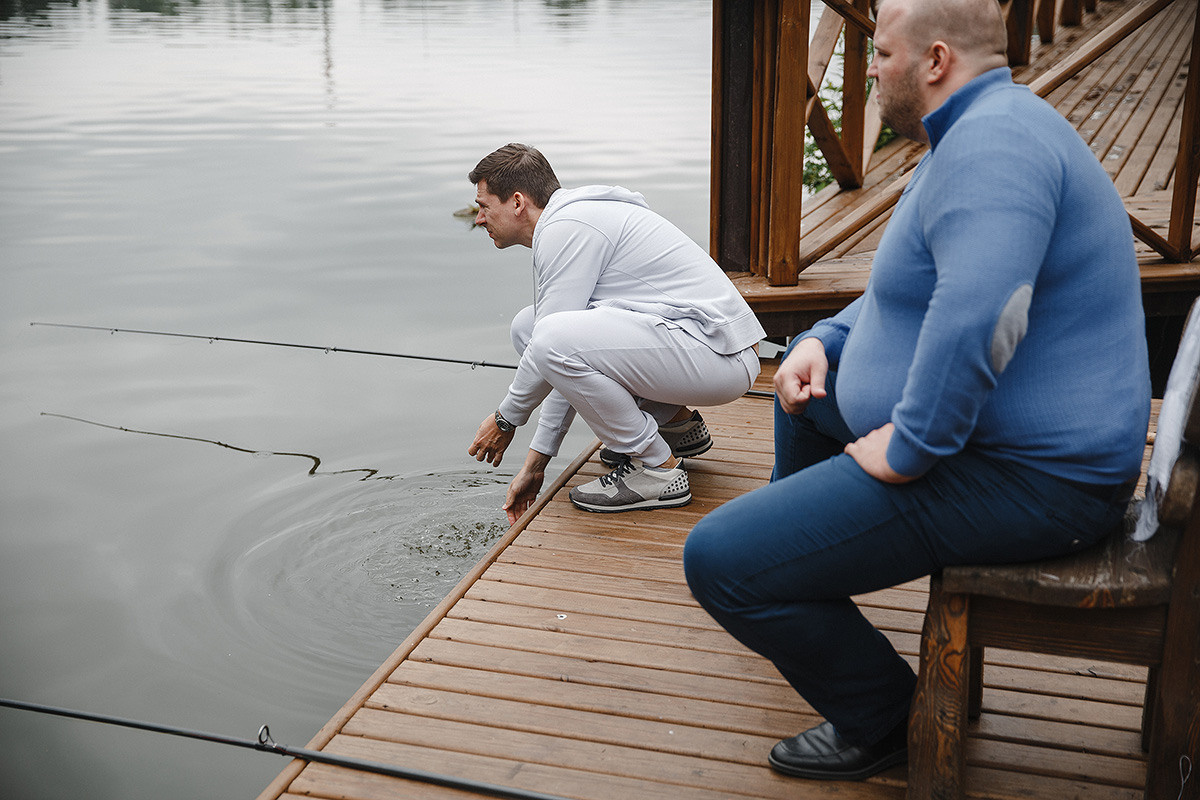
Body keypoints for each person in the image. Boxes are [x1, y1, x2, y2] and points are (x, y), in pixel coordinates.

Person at [682, 0, 1151, 783]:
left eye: (882, 55)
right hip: (1000, 449)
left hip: (1033, 480)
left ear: (936, 61)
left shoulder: (993, 147)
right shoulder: (981, 127)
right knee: (806, 391)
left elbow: (983, 314)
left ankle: (886, 716)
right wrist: (826, 341)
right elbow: (913, 285)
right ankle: (800, 577)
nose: (868, 70)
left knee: (720, 559)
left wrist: (912, 445)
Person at [466, 143, 765, 522]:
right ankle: (674, 425)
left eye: (484, 206)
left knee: (547, 335)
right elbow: (555, 355)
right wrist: (537, 463)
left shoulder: (567, 228)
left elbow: (554, 348)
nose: (478, 218)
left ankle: (656, 468)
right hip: (708, 350)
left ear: (518, 202)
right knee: (530, 326)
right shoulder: (572, 219)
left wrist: (506, 419)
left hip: (718, 357)